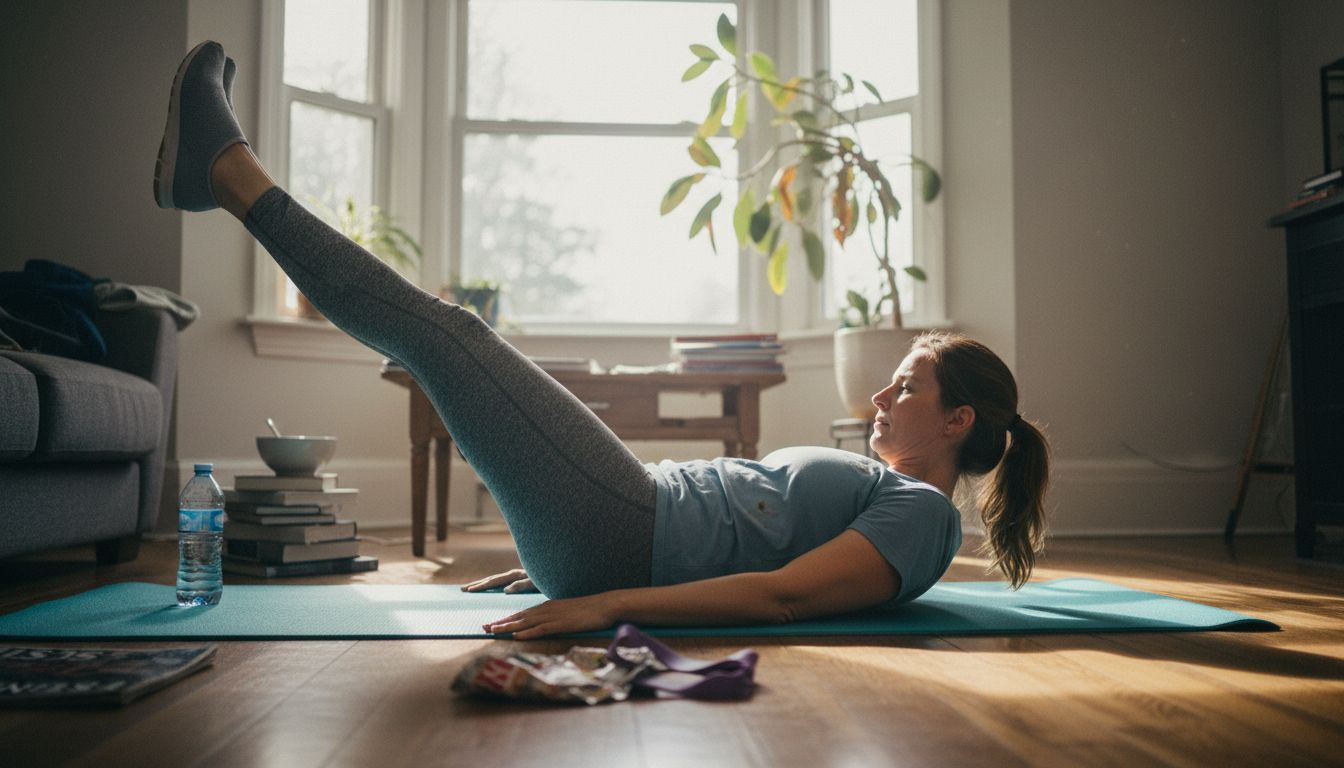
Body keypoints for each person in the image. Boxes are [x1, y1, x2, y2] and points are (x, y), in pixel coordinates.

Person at [154, 42, 1050, 639]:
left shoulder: (925, 516)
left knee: (450, 335)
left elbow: (783, 596)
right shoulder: (895, 492)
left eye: (907, 387)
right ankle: (222, 179)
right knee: (446, 343)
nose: (883, 397)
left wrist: (608, 595)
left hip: (624, 529)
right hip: (616, 518)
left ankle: (228, 175)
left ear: (959, 419)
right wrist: (565, 559)